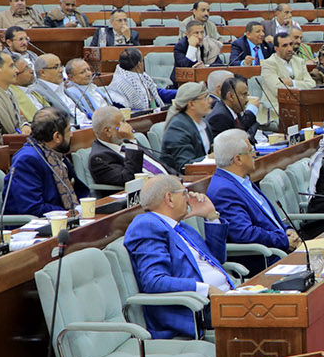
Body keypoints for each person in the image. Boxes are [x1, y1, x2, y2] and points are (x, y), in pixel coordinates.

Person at [124, 174, 229, 339]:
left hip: (224, 297)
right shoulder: (147, 226)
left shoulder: (179, 226)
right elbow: (154, 281)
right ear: (169, 199)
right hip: (198, 310)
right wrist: (206, 289)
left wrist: (211, 216)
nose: (189, 198)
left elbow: (216, 260)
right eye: (184, 193)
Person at [205, 129, 292, 274]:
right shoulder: (223, 190)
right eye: (250, 151)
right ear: (238, 159)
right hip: (267, 260)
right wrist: (283, 239)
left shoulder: (241, 180)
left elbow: (267, 219)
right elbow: (245, 234)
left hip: (280, 249)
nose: (254, 154)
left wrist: (287, 230)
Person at [5, 108, 82, 216]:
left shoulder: (54, 152)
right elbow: (32, 208)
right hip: (39, 223)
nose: (71, 135)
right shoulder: (27, 160)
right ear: (57, 137)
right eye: (69, 130)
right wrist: (69, 213)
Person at [87, 105, 156, 190]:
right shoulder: (98, 158)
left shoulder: (125, 142)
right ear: (107, 131)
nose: (127, 127)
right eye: (122, 123)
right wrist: (131, 141)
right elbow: (129, 179)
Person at [159, 81, 216, 172]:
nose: (211, 101)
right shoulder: (177, 128)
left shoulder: (204, 123)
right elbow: (184, 166)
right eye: (205, 98)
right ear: (191, 104)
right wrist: (211, 157)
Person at [261, 32, 315, 124]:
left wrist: (291, 83)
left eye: (290, 44)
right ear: (276, 48)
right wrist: (301, 87)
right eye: (285, 46)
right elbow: (278, 91)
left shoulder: (300, 61)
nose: (290, 48)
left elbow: (312, 85)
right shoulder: (269, 64)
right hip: (277, 108)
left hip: (302, 106)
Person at [109, 47, 164, 112]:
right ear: (139, 64)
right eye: (142, 60)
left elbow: (155, 91)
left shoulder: (142, 77)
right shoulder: (121, 82)